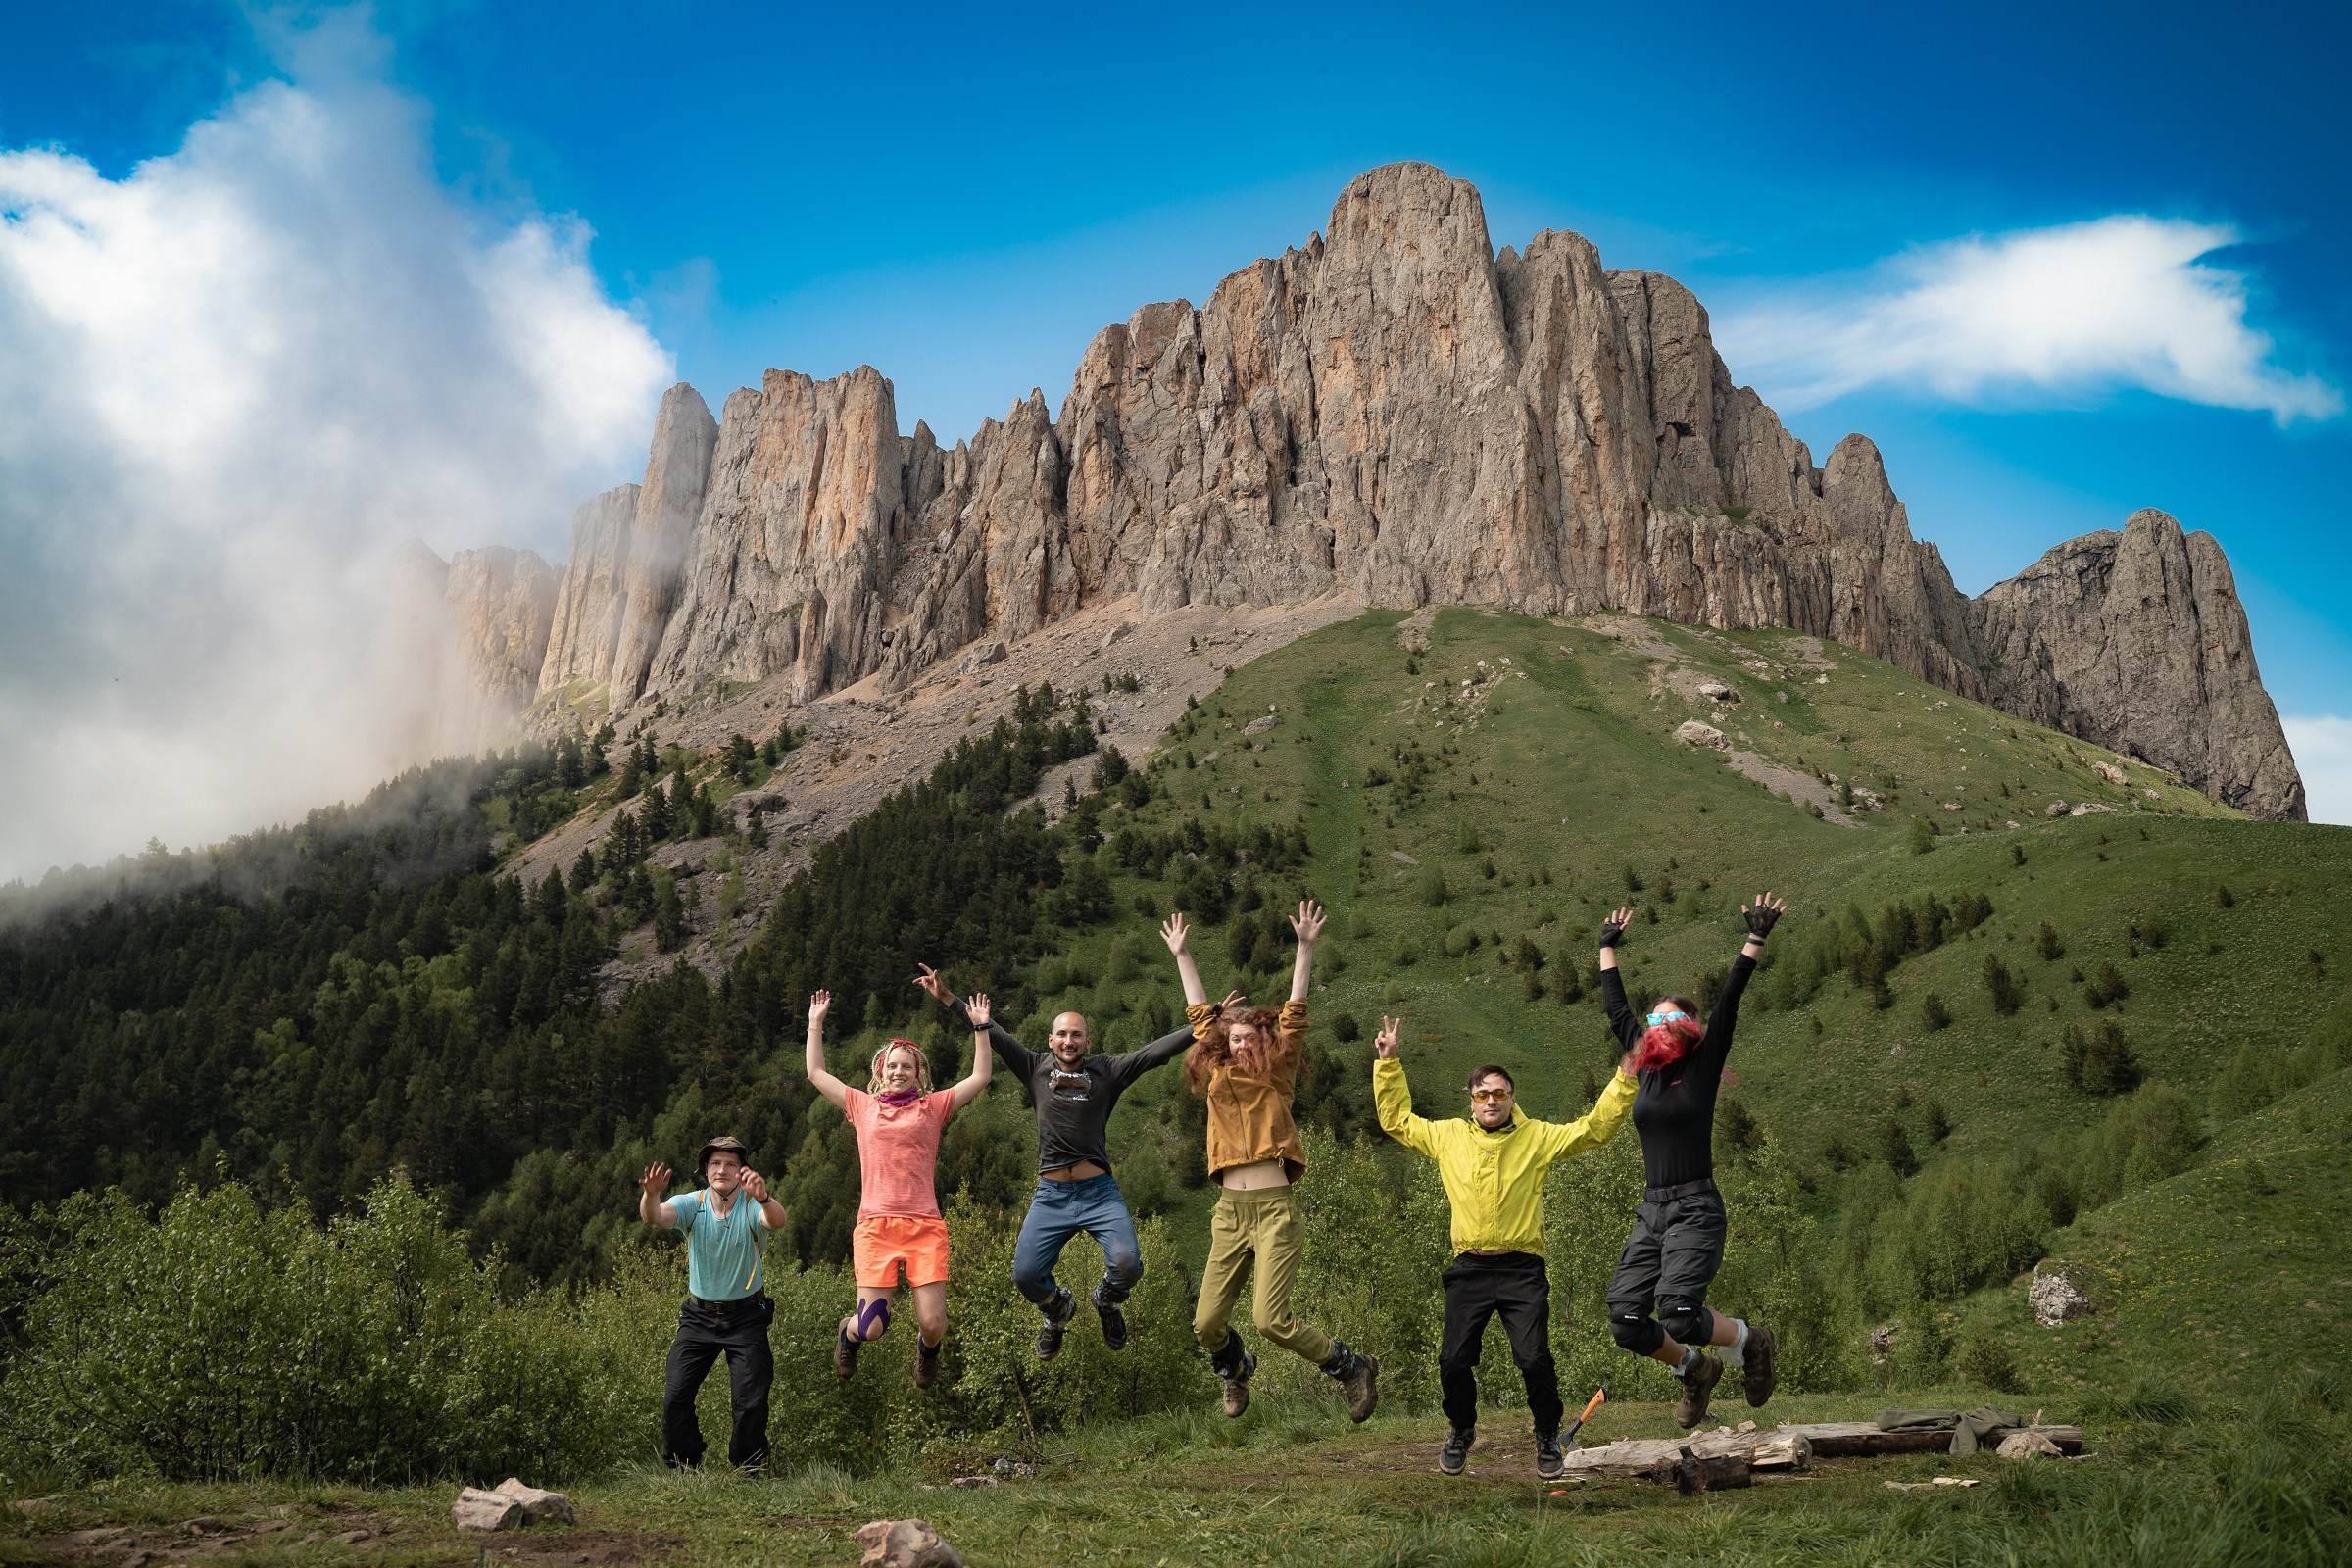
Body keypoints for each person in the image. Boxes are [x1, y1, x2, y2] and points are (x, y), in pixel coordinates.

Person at [1372, 1017, 1638, 1478]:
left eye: (1500, 1094)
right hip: (1468, 1268)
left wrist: (1626, 1076)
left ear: (1513, 1098)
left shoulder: (1536, 1138)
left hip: (1522, 1270)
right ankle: (1461, 1428)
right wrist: (1389, 1063)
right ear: (1470, 1099)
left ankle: (1546, 1434)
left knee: (1533, 1357)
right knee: (1453, 1359)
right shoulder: (1449, 1137)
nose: (1491, 1101)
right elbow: (1396, 1121)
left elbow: (1595, 1129)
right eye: (1482, 1094)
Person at [913, 962, 1198, 1358]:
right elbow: (989, 1030)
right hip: (1052, 1196)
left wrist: (1199, 1027)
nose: (1069, 1041)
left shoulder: (1109, 1072)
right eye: (1062, 1034)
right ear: (1050, 1040)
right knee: (1026, 1275)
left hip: (1099, 1193)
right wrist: (946, 997)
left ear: (1087, 1040)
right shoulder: (1033, 1067)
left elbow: (1154, 1052)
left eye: (1076, 1034)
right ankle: (1058, 1310)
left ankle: (1108, 1301)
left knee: (1128, 1264)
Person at [1163, 901, 1378, 1422]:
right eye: (1232, 1039)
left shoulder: (1279, 1070)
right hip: (1229, 1213)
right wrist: (1182, 954)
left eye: (1249, 1038)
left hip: (1275, 1210)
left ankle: (1350, 1367)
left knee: (1269, 1318)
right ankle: (1236, 1370)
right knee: (1207, 1325)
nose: (1239, 1047)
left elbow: (1297, 1011)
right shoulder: (1218, 1068)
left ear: (1266, 1039)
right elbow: (1200, 1017)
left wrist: (1305, 948)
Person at [1597, 892, 1788, 1428]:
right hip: (1652, 1211)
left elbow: (1730, 1000)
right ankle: (1695, 1372)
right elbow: (1616, 1010)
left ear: (1691, 1025)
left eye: (1670, 1018)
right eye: (1654, 1019)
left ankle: (1752, 1341)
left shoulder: (1702, 1065)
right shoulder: (1645, 1065)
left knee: (1678, 1312)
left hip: (1696, 1208)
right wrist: (1607, 947)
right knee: (1627, 1320)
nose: (1658, 1025)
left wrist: (1754, 939)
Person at [802, 988, 993, 1388]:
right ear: (880, 1072)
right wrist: (815, 1025)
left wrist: (980, 1029)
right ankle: (847, 1333)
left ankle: (928, 1351)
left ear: (918, 1074)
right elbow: (817, 1075)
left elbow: (980, 1077)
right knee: (872, 1328)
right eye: (892, 1066)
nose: (899, 1072)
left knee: (934, 1323)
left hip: (924, 1225)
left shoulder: (934, 1107)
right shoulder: (861, 1106)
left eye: (907, 1067)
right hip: (875, 1225)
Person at [639, 1134, 788, 1471]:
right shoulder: (693, 1203)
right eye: (716, 1163)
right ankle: (684, 1466)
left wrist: (764, 1197)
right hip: (699, 1317)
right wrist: (651, 1194)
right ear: (705, 1170)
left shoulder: (753, 1207)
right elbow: (654, 1217)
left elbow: (777, 1221)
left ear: (741, 1171)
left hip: (747, 1316)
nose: (723, 1169)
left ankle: (747, 1469)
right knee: (675, 1397)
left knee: (750, 1401)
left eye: (731, 1164)